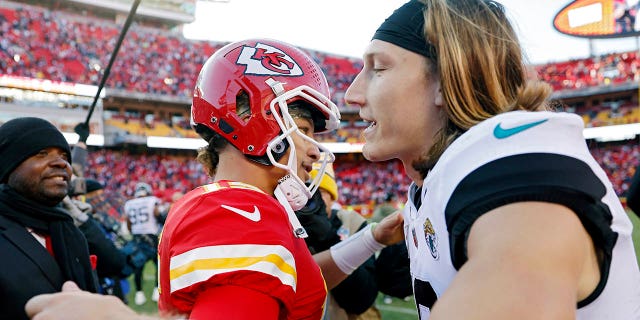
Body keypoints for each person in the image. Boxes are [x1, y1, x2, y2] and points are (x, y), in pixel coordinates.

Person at [25, 38, 405, 320]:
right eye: (302, 128)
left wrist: (370, 239)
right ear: (254, 119)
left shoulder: (243, 207)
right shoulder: (239, 214)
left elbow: (287, 283)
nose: (312, 149)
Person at [343, 0, 640, 319]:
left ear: (449, 78)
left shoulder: (517, 162)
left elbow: (518, 257)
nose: (351, 94)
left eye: (379, 68)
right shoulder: (439, 179)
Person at [0, 117, 97, 320]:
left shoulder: (70, 232)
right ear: (7, 166)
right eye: (41, 153)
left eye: (64, 155)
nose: (61, 162)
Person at [298, 169, 380, 320]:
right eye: (301, 191)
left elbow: (361, 301)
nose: (308, 198)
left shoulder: (351, 223)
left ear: (332, 198)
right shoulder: (283, 224)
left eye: (317, 191)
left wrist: (328, 238)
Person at [124, 182, 162, 305]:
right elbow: (157, 215)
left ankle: (139, 294)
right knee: (158, 265)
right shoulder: (152, 200)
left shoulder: (129, 204)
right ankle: (156, 291)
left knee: (138, 266)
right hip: (151, 237)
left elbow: (128, 222)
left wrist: (134, 232)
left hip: (137, 238)